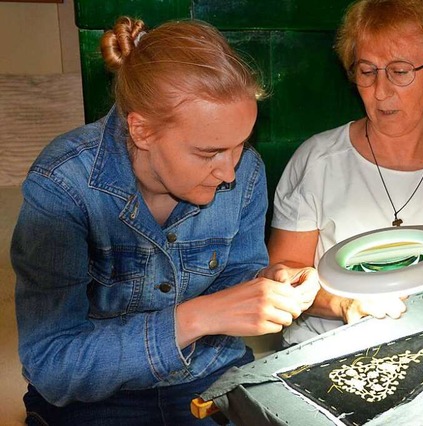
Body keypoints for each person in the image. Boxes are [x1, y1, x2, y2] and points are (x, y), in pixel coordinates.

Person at [11, 16, 319, 425]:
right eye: (209, 153)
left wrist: (269, 280)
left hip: (209, 374)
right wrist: (197, 317)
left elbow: (239, 273)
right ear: (141, 130)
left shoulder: (246, 173)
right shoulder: (63, 186)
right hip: (96, 399)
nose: (229, 172)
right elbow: (52, 365)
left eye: (240, 145)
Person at [268, 0, 423, 346]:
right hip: (331, 346)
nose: (381, 91)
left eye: (400, 72)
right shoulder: (319, 161)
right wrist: (346, 304)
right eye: (367, 71)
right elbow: (284, 276)